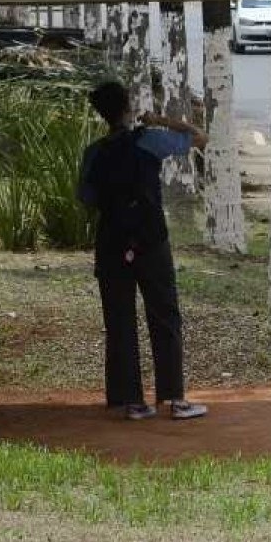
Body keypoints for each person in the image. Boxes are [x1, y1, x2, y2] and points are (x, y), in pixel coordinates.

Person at [78, 81, 209, 421]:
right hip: (151, 239)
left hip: (111, 243)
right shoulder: (149, 140)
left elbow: (86, 200)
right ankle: (174, 397)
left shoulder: (94, 152)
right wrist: (159, 120)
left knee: (119, 320)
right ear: (128, 107)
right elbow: (198, 136)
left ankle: (130, 399)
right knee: (164, 315)